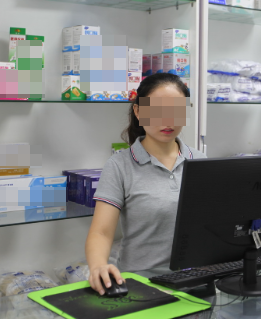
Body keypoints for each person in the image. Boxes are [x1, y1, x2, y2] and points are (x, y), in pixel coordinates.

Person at [85, 73, 206, 295]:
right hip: (141, 285)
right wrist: (98, 266)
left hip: (196, 281)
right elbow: (101, 232)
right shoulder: (120, 165)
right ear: (138, 112)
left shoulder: (200, 161)